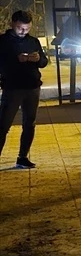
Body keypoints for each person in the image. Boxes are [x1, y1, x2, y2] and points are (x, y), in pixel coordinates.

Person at [0, 10, 48, 168]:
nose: (23, 32)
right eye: (20, 28)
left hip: (32, 87)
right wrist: (16, 60)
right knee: (3, 125)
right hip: (12, 88)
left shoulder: (33, 41)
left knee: (29, 124)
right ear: (13, 24)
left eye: (27, 29)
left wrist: (38, 58)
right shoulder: (3, 41)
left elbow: (43, 62)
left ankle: (23, 157)